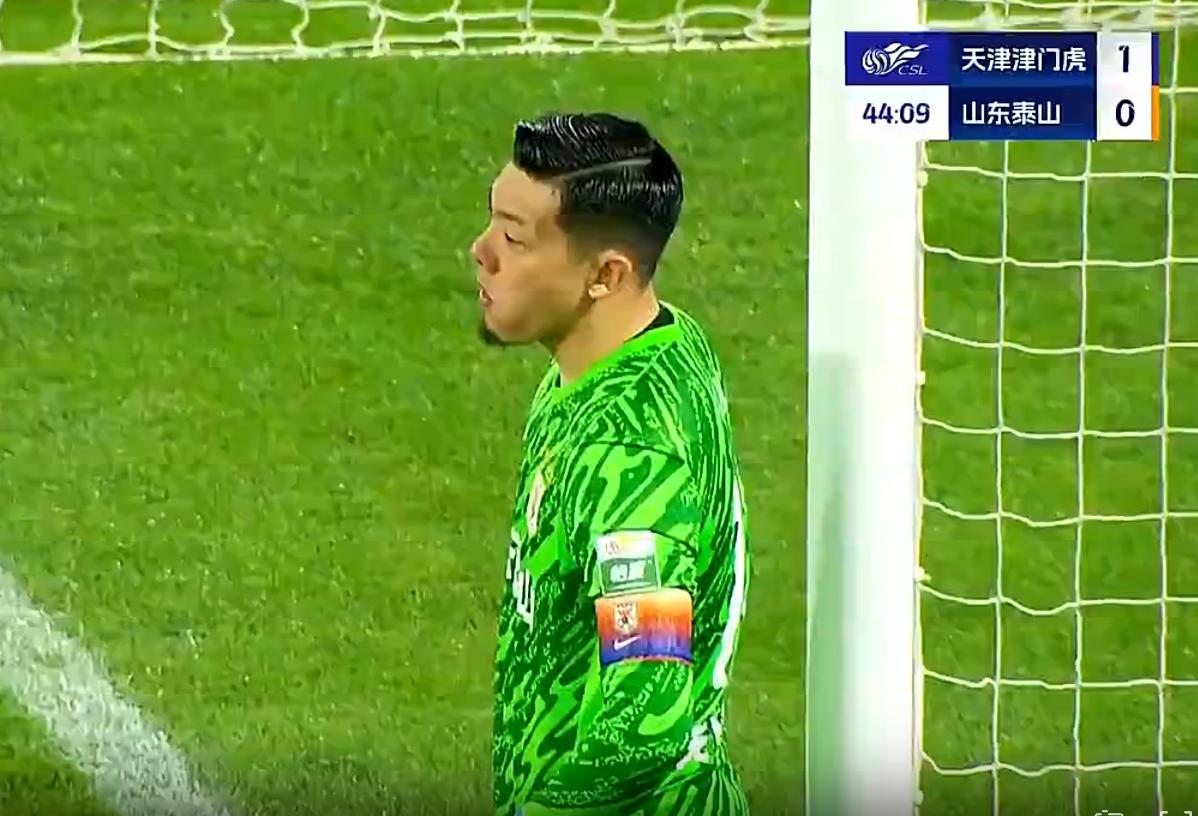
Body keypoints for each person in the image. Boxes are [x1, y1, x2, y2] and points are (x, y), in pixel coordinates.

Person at [471, 111, 751, 816]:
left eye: (513, 238)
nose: (482, 252)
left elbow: (644, 722)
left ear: (606, 274)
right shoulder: (641, 347)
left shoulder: (629, 455)